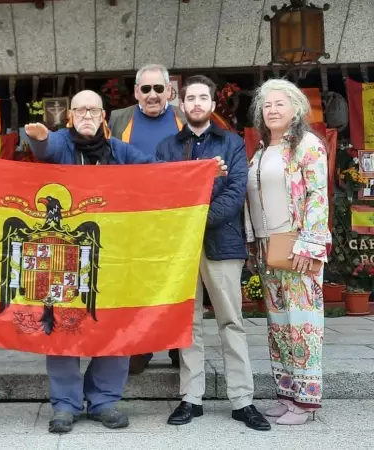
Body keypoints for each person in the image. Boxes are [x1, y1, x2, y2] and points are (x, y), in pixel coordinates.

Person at [25, 89, 227, 434]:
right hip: (67, 259)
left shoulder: (119, 151)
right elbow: (45, 147)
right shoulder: (61, 143)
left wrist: (201, 172)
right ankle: (65, 404)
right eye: (80, 110)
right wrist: (38, 139)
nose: (87, 115)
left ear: (104, 116)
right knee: (61, 326)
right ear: (70, 116)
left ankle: (104, 400)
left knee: (114, 326)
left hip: (114, 260)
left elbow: (161, 173)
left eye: (93, 110)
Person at [156, 75, 270, 431]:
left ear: (212, 104)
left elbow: (235, 193)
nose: (196, 103)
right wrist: (188, 210)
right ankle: (191, 398)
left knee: (231, 321)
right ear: (182, 103)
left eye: (203, 97)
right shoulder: (168, 147)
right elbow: (164, 194)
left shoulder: (232, 143)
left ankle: (242, 400)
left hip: (222, 243)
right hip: (181, 249)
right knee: (187, 324)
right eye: (190, 98)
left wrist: (194, 215)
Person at [244, 78, 329, 425]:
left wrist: (310, 243)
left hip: (297, 245)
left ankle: (307, 402)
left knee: (302, 323)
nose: (273, 110)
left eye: (280, 103)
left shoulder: (307, 145)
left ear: (296, 109)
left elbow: (317, 195)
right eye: (267, 105)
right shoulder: (262, 150)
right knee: (278, 324)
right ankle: (287, 393)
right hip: (268, 248)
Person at [108, 64, 186, 373]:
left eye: (158, 89)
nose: (152, 95)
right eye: (145, 89)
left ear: (169, 91)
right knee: (137, 284)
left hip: (175, 218)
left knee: (176, 283)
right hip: (132, 219)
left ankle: (179, 348)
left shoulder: (184, 117)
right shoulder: (118, 119)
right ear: (136, 92)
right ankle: (141, 347)